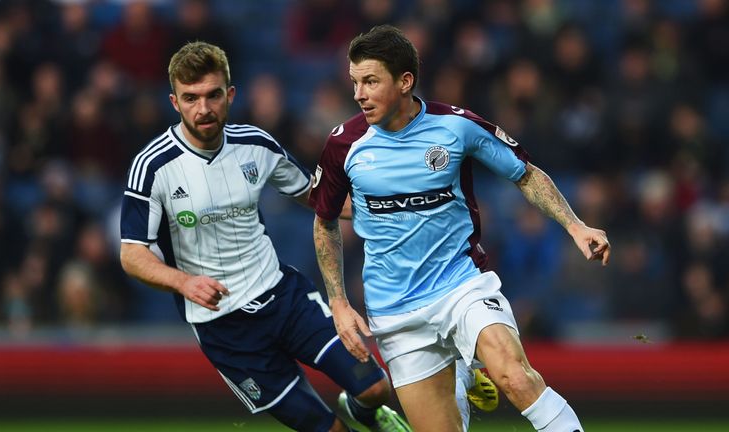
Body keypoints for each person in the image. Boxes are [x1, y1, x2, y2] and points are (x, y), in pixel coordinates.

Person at [310, 25, 611, 432]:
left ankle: (468, 363)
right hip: (395, 312)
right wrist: (340, 303)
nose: (358, 94)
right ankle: (462, 370)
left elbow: (525, 174)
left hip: (461, 285)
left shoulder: (456, 126)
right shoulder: (344, 144)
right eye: (354, 82)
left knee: (515, 376)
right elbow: (324, 222)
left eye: (370, 82)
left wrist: (575, 226)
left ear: (405, 82)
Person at [118, 41, 411, 432]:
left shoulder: (256, 145)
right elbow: (132, 254)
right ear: (174, 101)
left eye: (212, 95)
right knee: (326, 429)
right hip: (224, 329)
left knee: (375, 388)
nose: (202, 109)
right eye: (190, 98)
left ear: (230, 94)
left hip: (282, 297)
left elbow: (315, 196)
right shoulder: (153, 167)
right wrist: (184, 282)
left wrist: (399, 211)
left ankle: (364, 410)